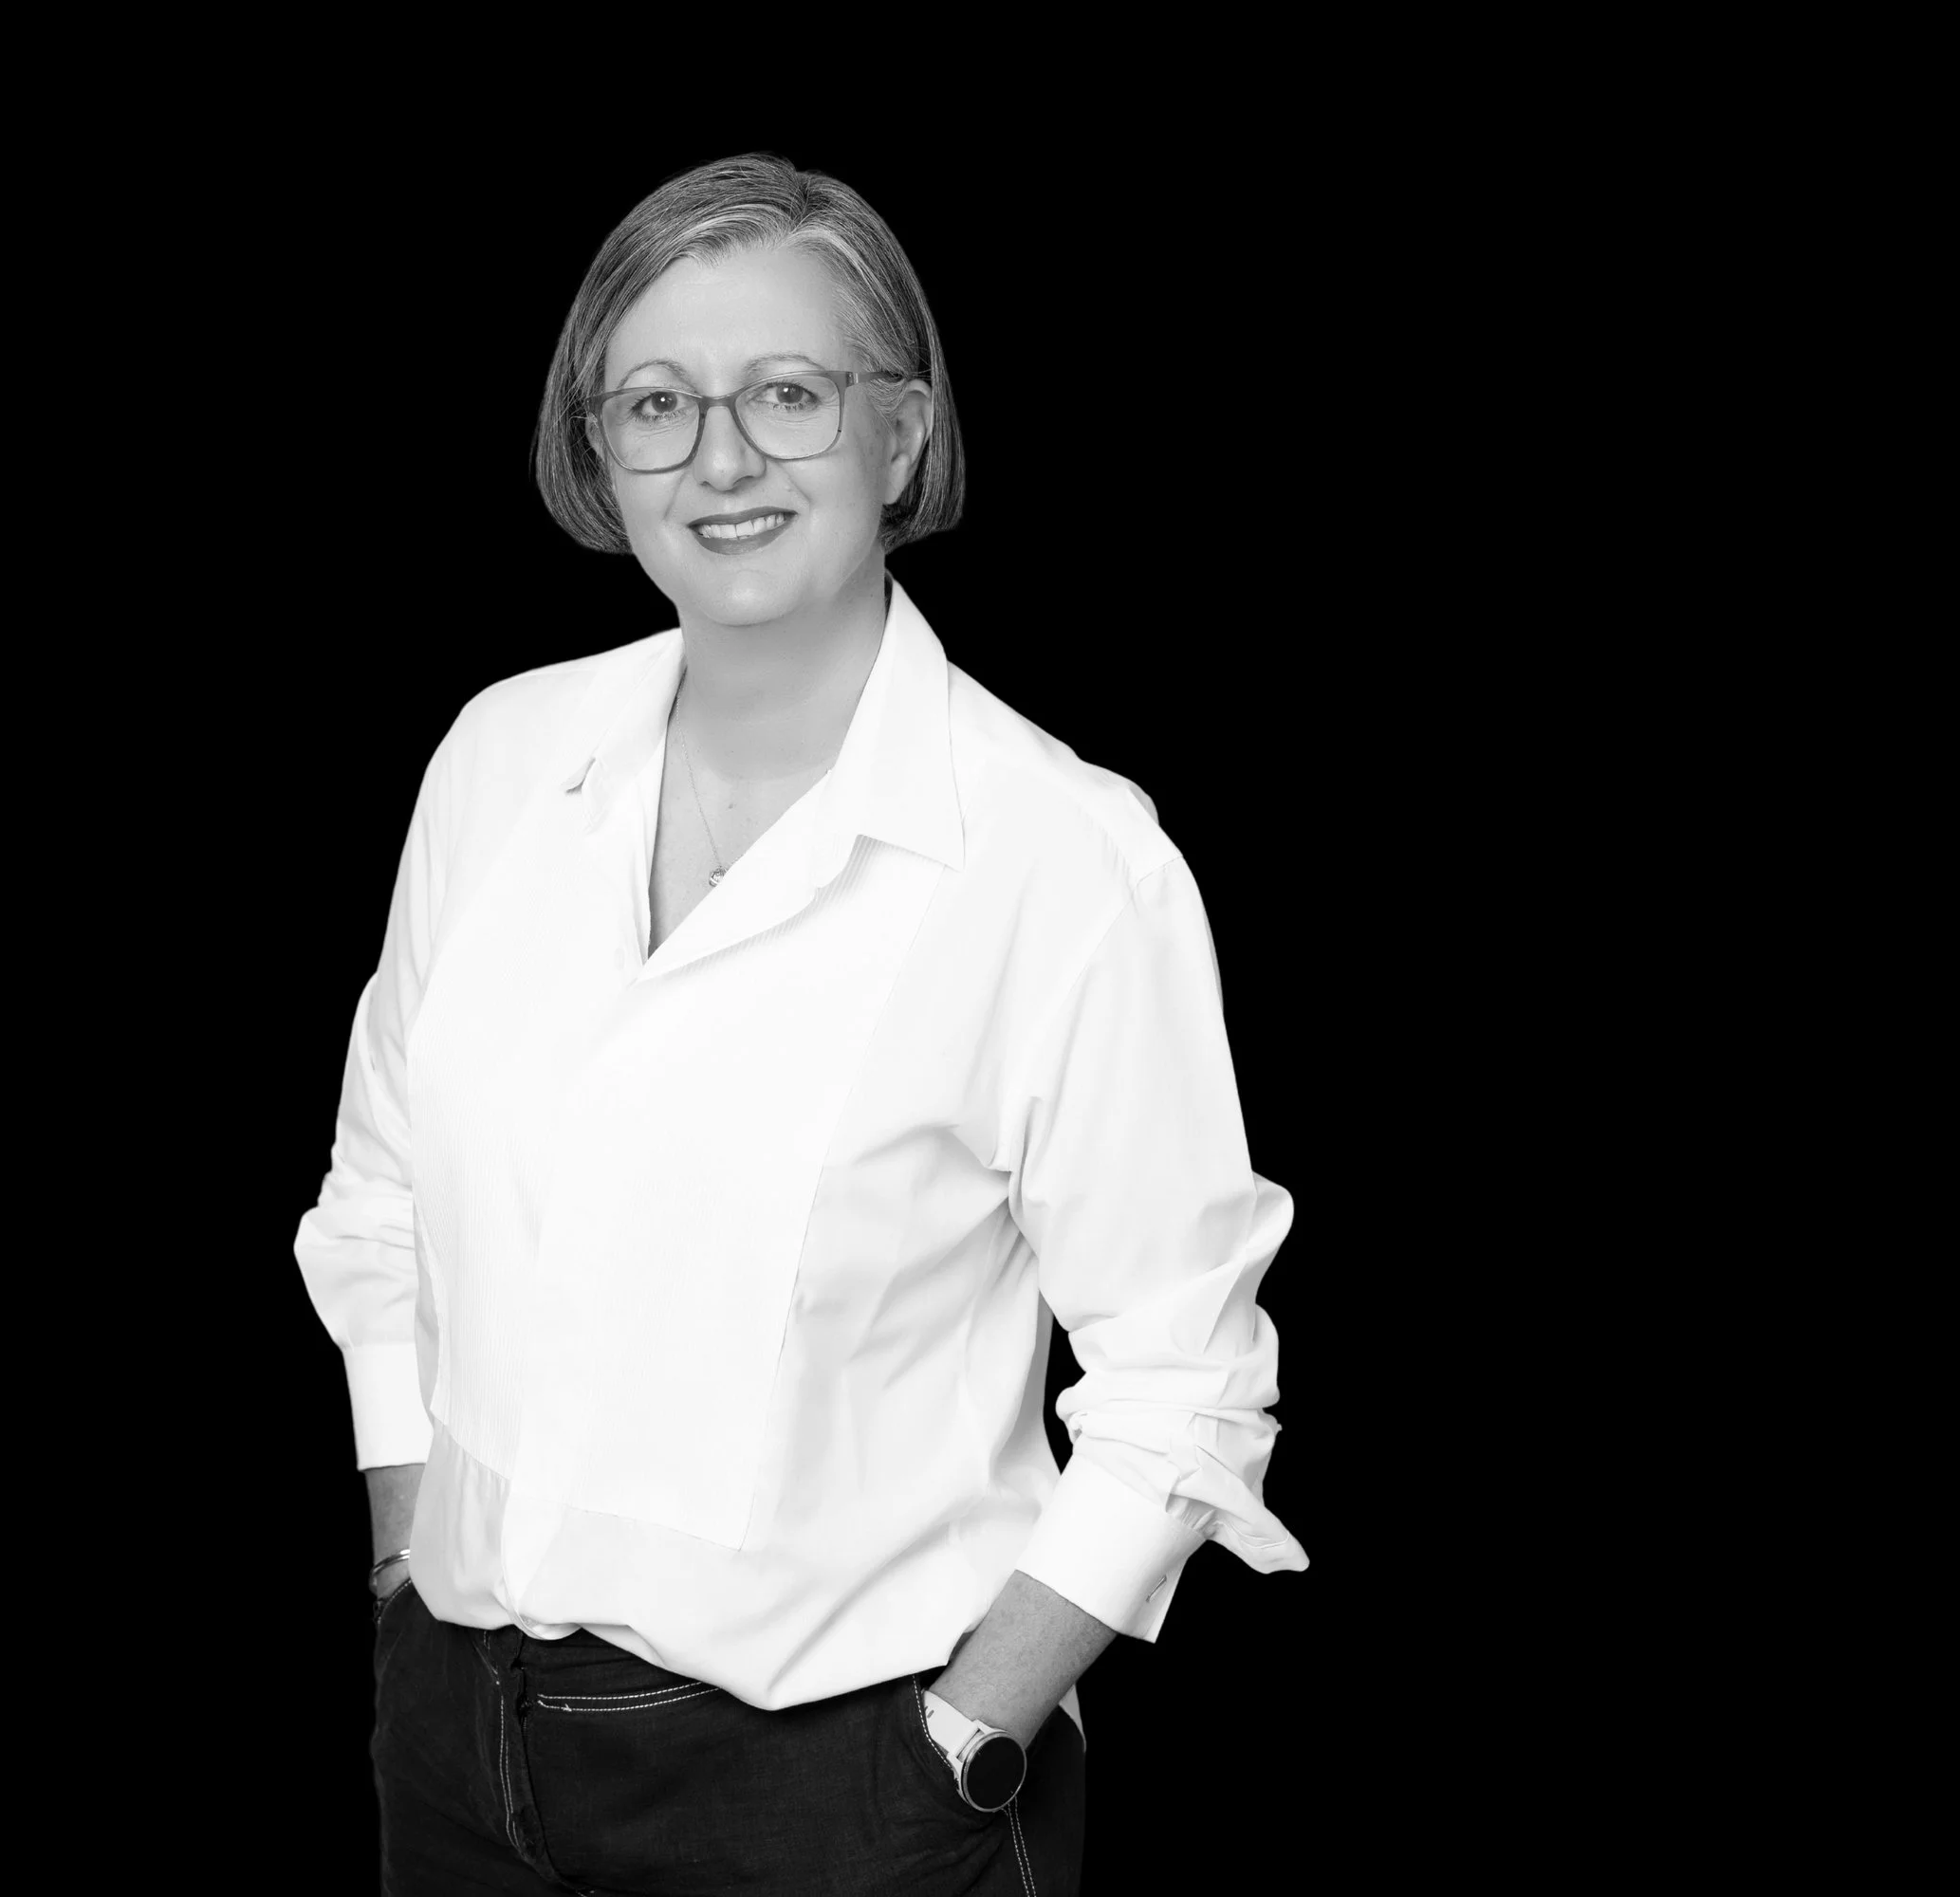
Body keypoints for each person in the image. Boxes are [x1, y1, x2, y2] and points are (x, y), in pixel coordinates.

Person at [294, 151, 1308, 1896]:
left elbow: (1183, 1381)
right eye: (657, 403)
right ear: (599, 449)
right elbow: (381, 1192)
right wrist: (406, 1529)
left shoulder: (1063, 860)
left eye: (786, 394)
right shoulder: (500, 761)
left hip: (841, 1796)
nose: (720, 460)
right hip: (460, 1755)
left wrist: (964, 1737)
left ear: (901, 437)